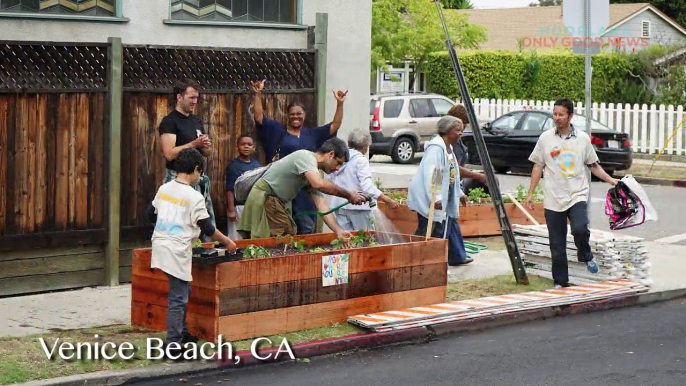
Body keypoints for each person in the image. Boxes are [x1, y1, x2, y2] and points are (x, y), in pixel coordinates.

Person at [146, 148, 237, 356]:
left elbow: (150, 214)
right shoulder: (194, 196)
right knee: (178, 298)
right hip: (177, 249)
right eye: (200, 172)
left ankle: (183, 333)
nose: (200, 176)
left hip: (161, 245)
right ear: (195, 169)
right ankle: (173, 344)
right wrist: (228, 242)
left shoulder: (165, 188)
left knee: (182, 291)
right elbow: (207, 228)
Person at [525, 98, 619, 289]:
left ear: (570, 116)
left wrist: (610, 180)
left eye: (561, 114)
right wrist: (530, 194)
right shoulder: (545, 138)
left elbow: (593, 165)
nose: (557, 118)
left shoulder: (583, 139)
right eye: (555, 114)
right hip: (553, 197)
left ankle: (586, 255)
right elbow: (538, 166)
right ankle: (561, 282)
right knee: (557, 245)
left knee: (580, 229)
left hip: (577, 194)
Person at [251, 78, 348, 235]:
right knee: (281, 232)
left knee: (306, 228)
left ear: (304, 115)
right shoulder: (277, 131)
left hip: (305, 189)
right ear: (288, 116)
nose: (295, 117)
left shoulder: (312, 134)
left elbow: (335, 125)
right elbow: (259, 117)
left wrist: (340, 103)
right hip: (281, 188)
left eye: (299, 114)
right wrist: (257, 94)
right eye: (292, 114)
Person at [237, 138, 367, 239]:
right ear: (331, 154)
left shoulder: (314, 171)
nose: (337, 168)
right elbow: (318, 184)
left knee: (285, 239)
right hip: (265, 199)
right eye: (338, 163)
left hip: (275, 202)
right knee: (278, 242)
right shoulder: (305, 157)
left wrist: (339, 230)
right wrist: (349, 195)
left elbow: (321, 205)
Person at [408, 116, 472, 266]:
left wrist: (460, 194)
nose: (460, 134)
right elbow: (434, 174)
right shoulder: (436, 149)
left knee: (437, 231)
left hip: (442, 198)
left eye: (461, 131)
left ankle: (427, 261)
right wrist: (435, 197)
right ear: (447, 131)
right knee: (429, 231)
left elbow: (452, 174)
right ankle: (417, 260)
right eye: (457, 131)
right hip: (429, 198)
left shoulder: (448, 148)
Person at [159, 79, 216, 231]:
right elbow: (169, 154)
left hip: (198, 178)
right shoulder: (169, 122)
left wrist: (206, 145)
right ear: (179, 97)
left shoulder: (196, 120)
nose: (195, 101)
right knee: (182, 223)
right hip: (178, 179)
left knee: (205, 222)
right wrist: (194, 144)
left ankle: (207, 250)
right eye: (191, 97)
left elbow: (206, 152)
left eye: (196, 98)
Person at [328, 129, 399, 231]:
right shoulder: (360, 161)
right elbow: (368, 187)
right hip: (358, 207)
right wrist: (387, 200)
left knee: (346, 240)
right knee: (365, 239)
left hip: (339, 205)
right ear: (363, 147)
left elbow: (330, 179)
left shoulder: (339, 157)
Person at [446, 103, 490, 195]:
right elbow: (452, 169)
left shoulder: (457, 139)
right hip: (450, 186)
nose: (464, 128)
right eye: (463, 124)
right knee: (485, 180)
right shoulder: (447, 142)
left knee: (490, 179)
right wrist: (477, 176)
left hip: (458, 181)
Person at [225, 135, 261, 240]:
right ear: (237, 146)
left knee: (252, 235)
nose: (246, 147)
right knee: (236, 236)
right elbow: (230, 190)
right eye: (243, 144)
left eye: (249, 144)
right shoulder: (233, 166)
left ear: (253, 147)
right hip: (239, 206)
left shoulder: (256, 165)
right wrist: (231, 210)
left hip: (253, 206)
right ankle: (235, 255)